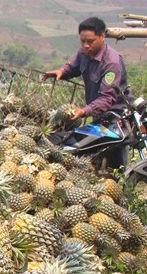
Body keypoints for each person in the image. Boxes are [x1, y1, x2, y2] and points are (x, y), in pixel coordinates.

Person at [43, 16, 133, 168]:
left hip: (116, 120)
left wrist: (83, 111)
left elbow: (106, 98)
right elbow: (73, 67)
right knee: (90, 154)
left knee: (114, 162)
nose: (85, 45)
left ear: (103, 36)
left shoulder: (111, 63)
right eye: (82, 41)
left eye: (90, 41)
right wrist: (61, 72)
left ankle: (123, 186)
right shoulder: (84, 53)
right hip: (99, 115)